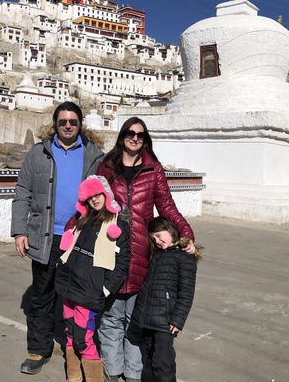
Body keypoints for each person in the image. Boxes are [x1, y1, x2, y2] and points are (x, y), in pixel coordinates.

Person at [94, 116, 196, 382]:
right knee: (110, 321)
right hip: (111, 251)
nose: (135, 138)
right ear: (122, 136)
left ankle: (134, 375)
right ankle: (111, 372)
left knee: (135, 323)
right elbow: (90, 202)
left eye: (140, 134)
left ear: (145, 139)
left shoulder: (154, 169)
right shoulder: (106, 167)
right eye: (129, 133)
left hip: (142, 252)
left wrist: (185, 234)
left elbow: (167, 207)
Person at [11, 101, 104, 375]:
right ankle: (38, 349)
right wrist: (20, 231)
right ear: (55, 123)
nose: (67, 126)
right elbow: (22, 192)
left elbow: (107, 194)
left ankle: (77, 348)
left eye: (72, 122)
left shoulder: (94, 155)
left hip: (80, 239)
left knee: (80, 298)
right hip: (46, 237)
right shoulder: (38, 153)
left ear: (80, 124)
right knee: (41, 295)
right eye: (62, 121)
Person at [55, 175, 130, 382]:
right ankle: (74, 377)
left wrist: (105, 288)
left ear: (106, 194)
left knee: (83, 339)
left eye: (98, 194)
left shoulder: (117, 224)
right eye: (90, 197)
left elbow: (123, 263)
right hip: (69, 285)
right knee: (70, 333)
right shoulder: (83, 219)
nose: (95, 199)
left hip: (89, 291)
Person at [131, 216, 202, 382]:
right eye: (153, 238)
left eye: (159, 235)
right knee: (148, 359)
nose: (157, 240)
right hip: (148, 317)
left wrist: (178, 320)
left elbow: (187, 292)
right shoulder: (158, 255)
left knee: (163, 362)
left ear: (170, 230)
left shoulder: (184, 258)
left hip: (166, 321)